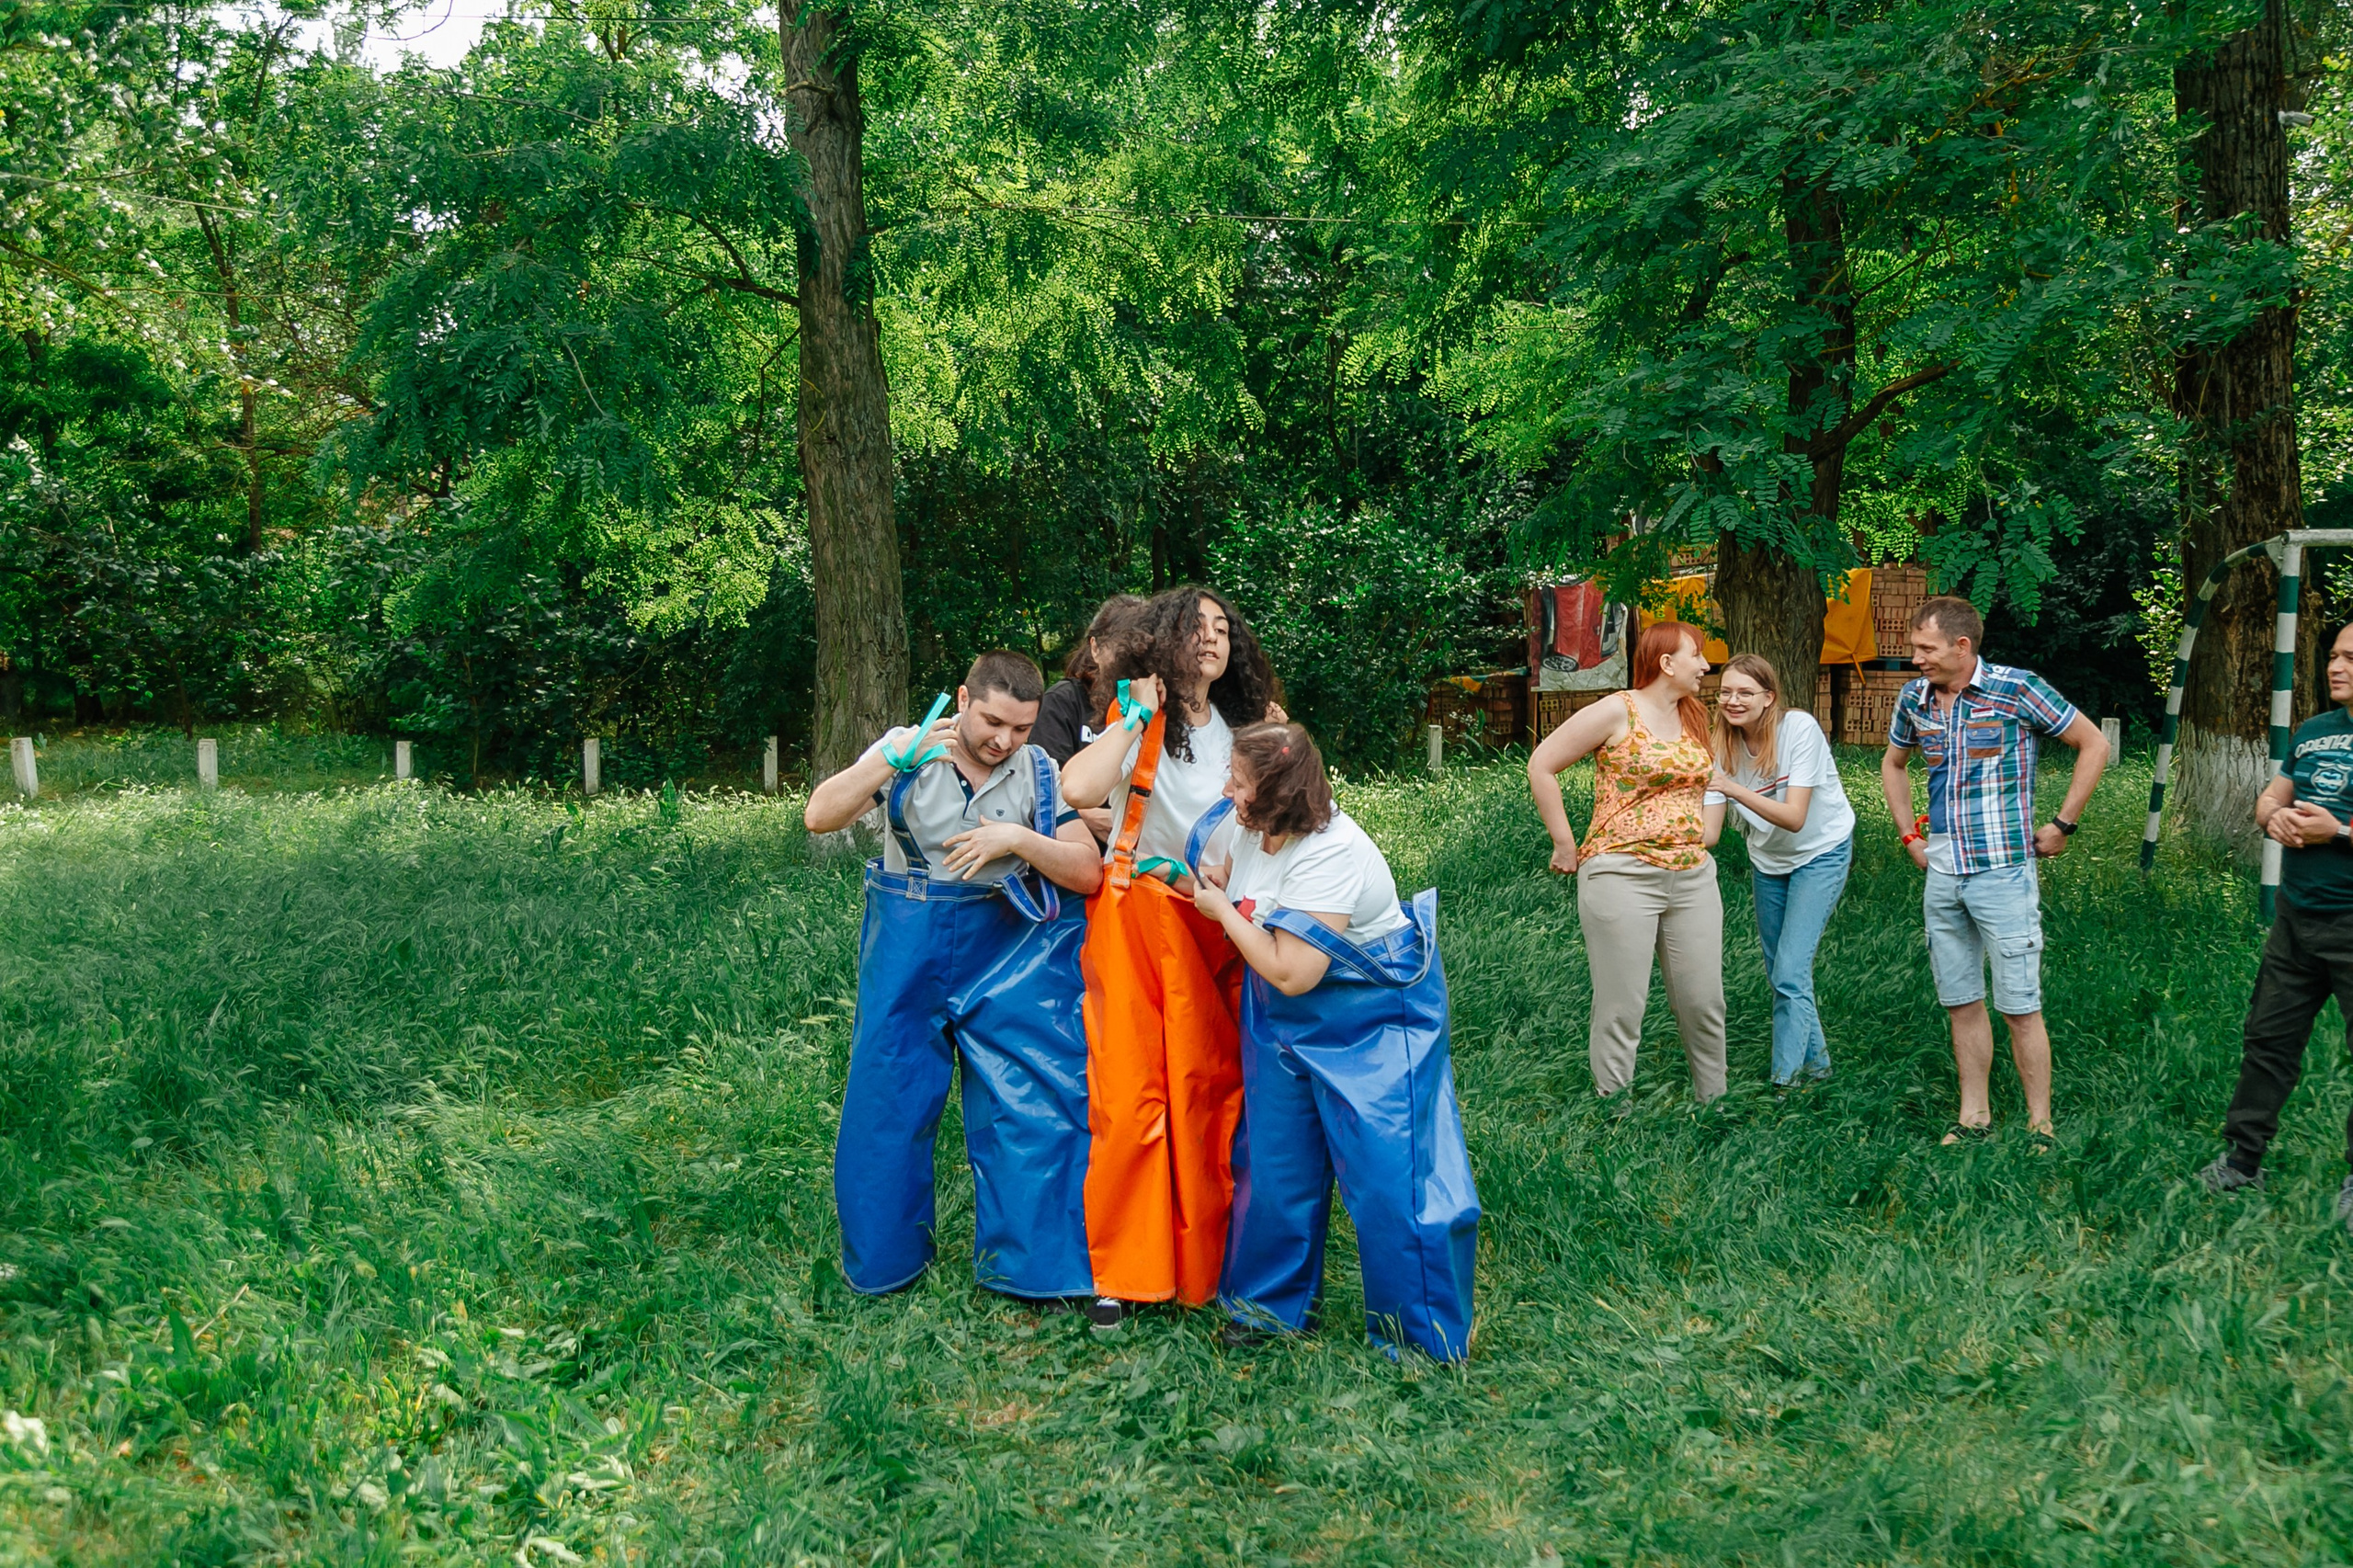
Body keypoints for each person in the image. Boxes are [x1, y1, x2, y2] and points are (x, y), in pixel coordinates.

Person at [803, 651, 1105, 1303]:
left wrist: (1018, 842)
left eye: (1021, 728)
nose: (1004, 741)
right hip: (908, 941)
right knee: (888, 1099)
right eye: (993, 722)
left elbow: (1087, 871)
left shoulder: (1038, 771)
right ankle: (885, 1267)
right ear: (964, 700)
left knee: (1030, 1107)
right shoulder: (905, 750)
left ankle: (1031, 1274)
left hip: (1011, 950)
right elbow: (820, 815)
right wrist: (892, 759)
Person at [1190, 723, 1481, 1363]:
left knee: (1391, 1173)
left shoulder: (1332, 853)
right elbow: (1246, 887)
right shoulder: (1253, 825)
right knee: (1275, 1165)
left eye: (1238, 781)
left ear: (1275, 790)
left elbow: (1295, 972)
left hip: (1371, 1014)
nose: (1226, 790)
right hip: (1280, 1014)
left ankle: (1420, 1339)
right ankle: (1267, 1311)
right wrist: (1220, 878)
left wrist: (1221, 913)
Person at [1060, 585, 1282, 1322]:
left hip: (1216, 924)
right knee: (1129, 1095)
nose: (1213, 637)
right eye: (1198, 625)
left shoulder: (1244, 728)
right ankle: (1123, 1273)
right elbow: (1076, 786)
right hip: (1138, 918)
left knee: (1208, 1092)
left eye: (1224, 628)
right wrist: (1135, 716)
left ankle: (1205, 1266)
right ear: (1163, 639)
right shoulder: (1133, 713)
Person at [1879, 596, 2109, 1145]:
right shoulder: (1914, 699)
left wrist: (2064, 823)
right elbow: (1893, 763)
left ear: (1962, 647)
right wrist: (1909, 834)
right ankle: (1973, 1119)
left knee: (2020, 1006)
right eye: (1914, 648)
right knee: (1960, 1000)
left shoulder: (2017, 688)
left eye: (1926, 649)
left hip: (2003, 871)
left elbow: (2093, 743)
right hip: (1943, 871)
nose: (1917, 660)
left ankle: (2040, 1125)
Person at [1527, 620, 1728, 1103]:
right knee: (1622, 1006)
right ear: (1666, 663)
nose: (1704, 665)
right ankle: (1613, 1111)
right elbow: (1542, 763)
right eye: (1696, 655)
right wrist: (1564, 843)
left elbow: (1712, 780)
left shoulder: (1696, 716)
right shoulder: (1618, 711)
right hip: (1621, 874)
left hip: (1692, 876)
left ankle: (1717, 1105)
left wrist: (1704, 832)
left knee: (1705, 1002)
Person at [2197, 619, 2353, 1233]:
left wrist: (2335, 832)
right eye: (2334, 656)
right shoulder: (2314, 732)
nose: (2336, 667)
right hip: (2296, 919)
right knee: (2268, 1041)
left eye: (2350, 658)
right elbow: (2270, 797)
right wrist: (2275, 818)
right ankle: (2242, 1160)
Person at [1704, 653, 1857, 1088]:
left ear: (1769, 698)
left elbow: (1795, 817)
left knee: (1790, 971)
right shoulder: (1720, 746)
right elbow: (1710, 833)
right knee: (1782, 973)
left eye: (1745, 693)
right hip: (1769, 860)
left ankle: (1784, 1084)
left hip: (1820, 851)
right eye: (1726, 692)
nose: (1733, 701)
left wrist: (1731, 787)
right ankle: (1819, 1069)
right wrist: (1648, 840)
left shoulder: (1799, 729)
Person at [1032, 597, 1150, 848]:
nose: (1131, 662)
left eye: (1141, 650)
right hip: (1077, 846)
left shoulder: (1156, 707)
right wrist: (1084, 816)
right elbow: (1044, 789)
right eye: (1121, 648)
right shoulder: (1064, 701)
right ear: (1095, 648)